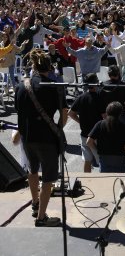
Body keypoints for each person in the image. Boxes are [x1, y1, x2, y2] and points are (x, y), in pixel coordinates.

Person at [15, 49, 68, 227]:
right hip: (46, 138)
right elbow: (64, 114)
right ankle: (42, 217)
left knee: (32, 171)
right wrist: (58, 129)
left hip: (28, 137)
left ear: (33, 66)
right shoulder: (54, 87)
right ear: (50, 67)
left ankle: (35, 203)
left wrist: (22, 132)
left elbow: (19, 114)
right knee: (48, 179)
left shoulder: (22, 86)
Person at [67, 73, 102, 172]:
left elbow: (70, 113)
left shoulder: (81, 98)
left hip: (84, 134)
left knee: (87, 160)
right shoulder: (99, 98)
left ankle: (86, 180)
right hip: (97, 136)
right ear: (96, 83)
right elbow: (105, 116)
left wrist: (80, 121)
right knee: (101, 161)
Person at [87, 101, 125, 173]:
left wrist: (97, 152)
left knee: (106, 182)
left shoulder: (100, 124)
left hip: (104, 160)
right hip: (119, 161)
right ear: (120, 113)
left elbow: (89, 142)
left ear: (107, 112)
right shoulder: (124, 127)